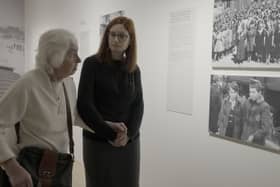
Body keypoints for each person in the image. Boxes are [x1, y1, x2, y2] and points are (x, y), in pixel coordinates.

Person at [0, 29, 81, 187]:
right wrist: (11, 167)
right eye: (72, 54)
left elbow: (74, 116)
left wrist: (105, 125)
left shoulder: (68, 85)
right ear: (55, 56)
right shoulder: (27, 84)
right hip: (28, 171)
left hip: (59, 169)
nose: (79, 59)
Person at [77, 16, 144, 187]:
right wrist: (110, 134)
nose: (115, 39)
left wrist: (127, 136)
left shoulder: (134, 69)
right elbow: (85, 105)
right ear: (106, 37)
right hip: (98, 140)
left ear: (130, 40)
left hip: (128, 143)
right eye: (112, 34)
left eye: (122, 36)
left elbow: (138, 105)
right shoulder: (92, 64)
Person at [241, 79, 273, 145]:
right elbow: (243, 120)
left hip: (256, 143)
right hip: (244, 138)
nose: (251, 94)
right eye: (250, 92)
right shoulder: (247, 103)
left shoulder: (265, 107)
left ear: (259, 92)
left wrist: (253, 136)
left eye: (253, 92)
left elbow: (265, 129)